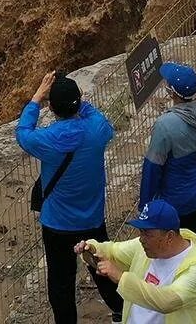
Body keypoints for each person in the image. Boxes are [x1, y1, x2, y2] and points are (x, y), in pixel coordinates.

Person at [20, 72, 123, 324]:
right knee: (102, 268)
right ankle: (122, 312)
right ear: (78, 102)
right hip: (92, 218)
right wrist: (79, 101)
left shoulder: (48, 140)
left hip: (57, 223)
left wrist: (36, 99)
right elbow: (95, 115)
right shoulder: (98, 130)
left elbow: (23, 132)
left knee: (60, 281)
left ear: (52, 108)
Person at [78, 200, 196, 324]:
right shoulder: (145, 247)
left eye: (147, 233)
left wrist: (121, 277)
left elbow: (167, 301)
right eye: (141, 231)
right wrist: (91, 248)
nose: (141, 238)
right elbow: (112, 251)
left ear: (169, 236)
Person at [138, 63, 196, 235]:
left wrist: (145, 206)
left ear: (172, 93)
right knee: (193, 242)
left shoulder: (164, 125)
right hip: (195, 197)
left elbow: (152, 168)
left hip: (171, 202)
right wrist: (193, 178)